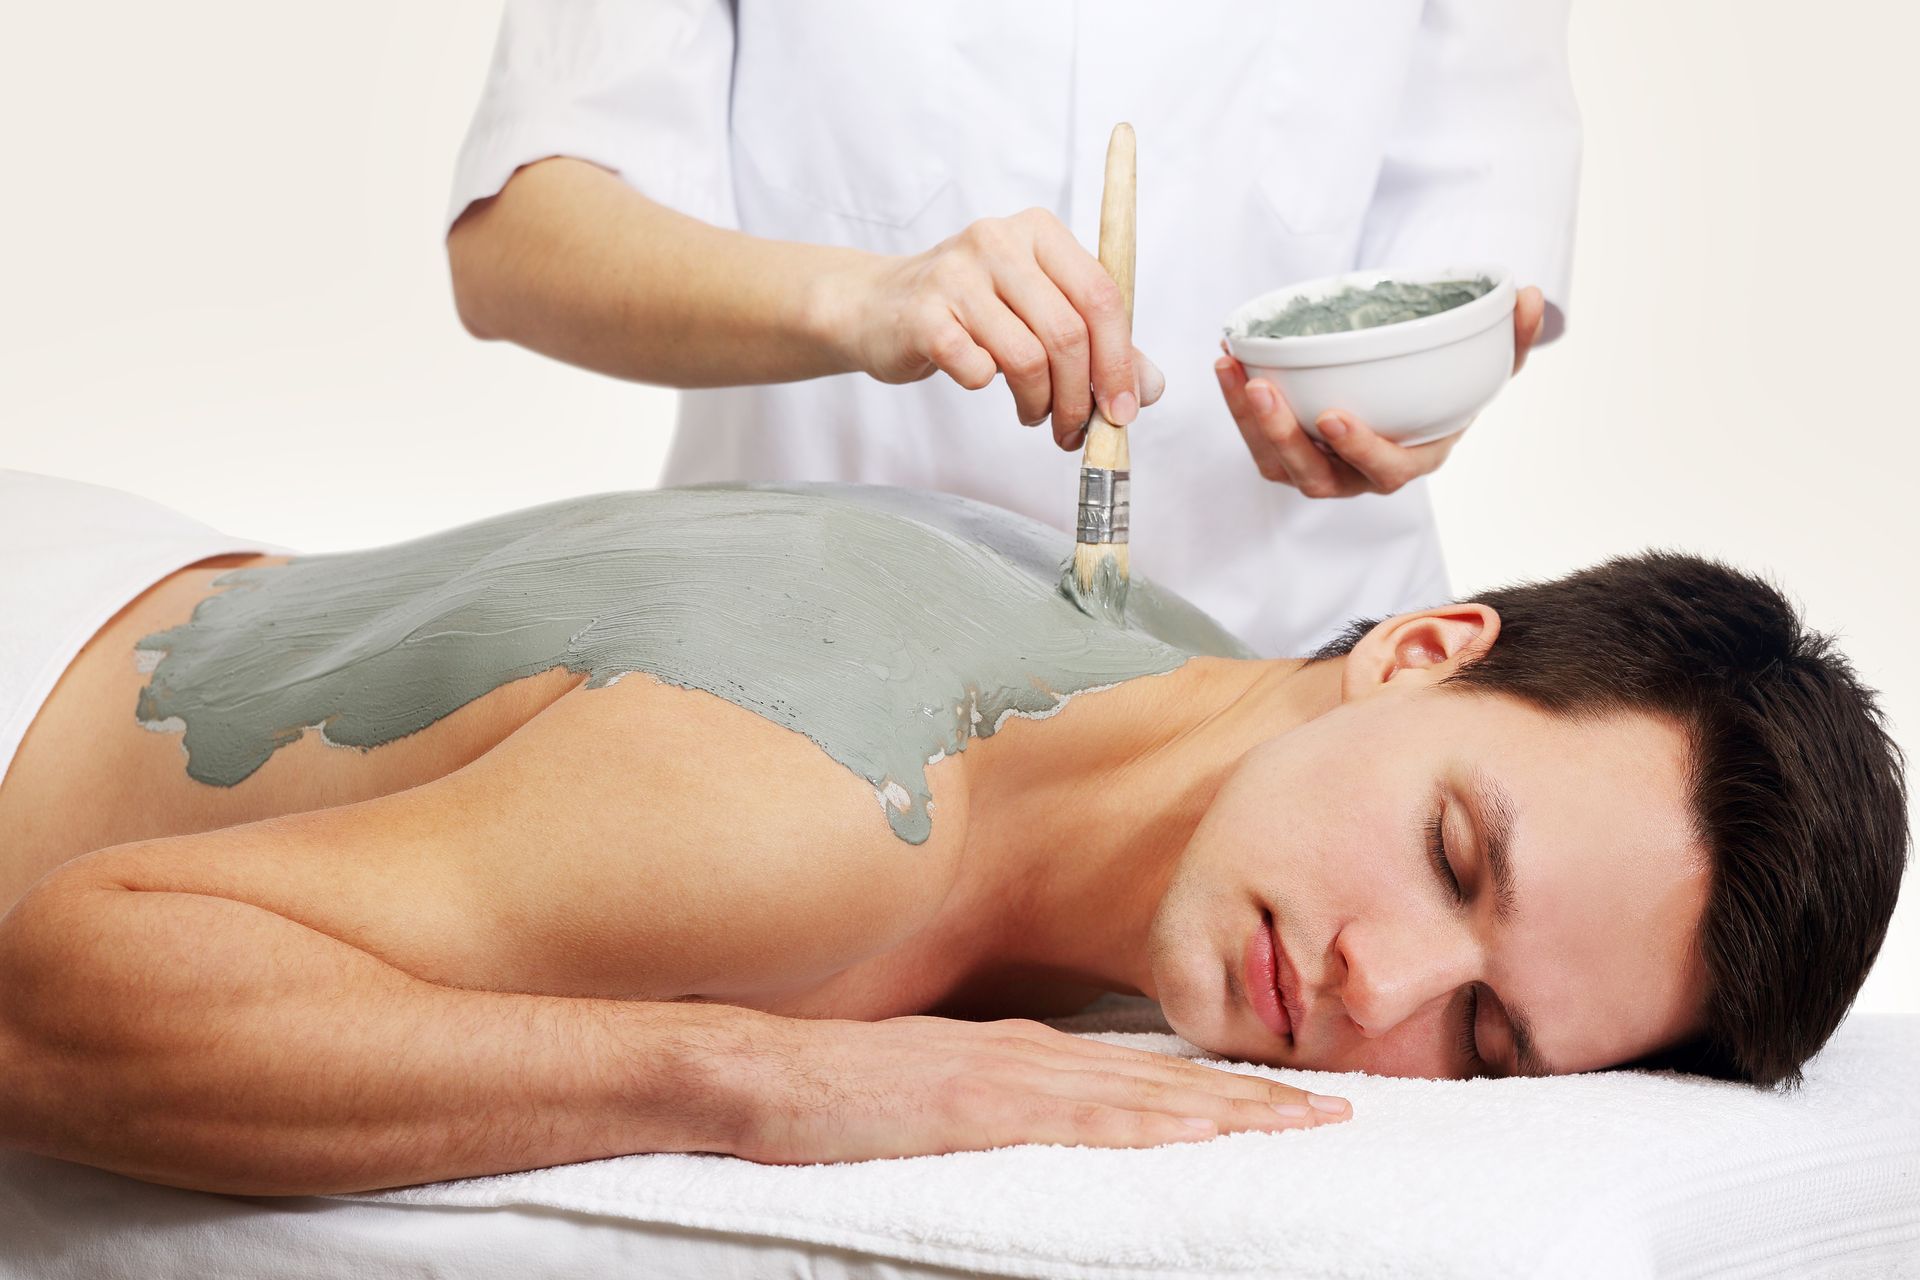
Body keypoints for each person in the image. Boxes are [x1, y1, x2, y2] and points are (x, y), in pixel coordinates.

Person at [0, 469, 1903, 1199]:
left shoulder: (1160, 678)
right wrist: (752, 1079)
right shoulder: (816, 812)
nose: (1375, 984)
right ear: (1416, 649)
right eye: (1454, 859)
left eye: (1483, 1035)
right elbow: (52, 991)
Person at [443, 2, 1576, 656]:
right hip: (799, 681)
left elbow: (1475, 264)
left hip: (1279, 709)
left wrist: (1401, 404)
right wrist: (865, 297)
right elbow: (518, 242)